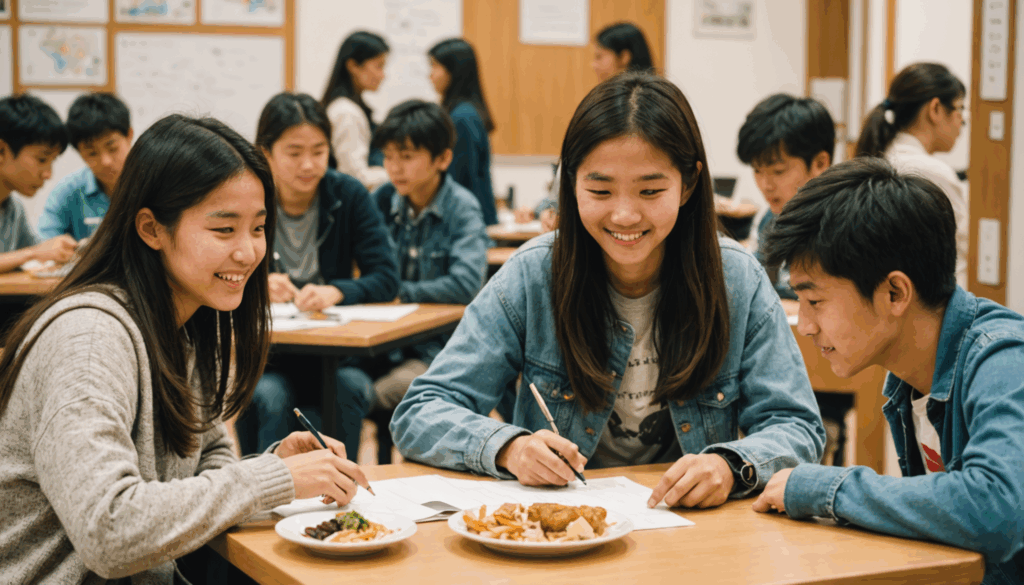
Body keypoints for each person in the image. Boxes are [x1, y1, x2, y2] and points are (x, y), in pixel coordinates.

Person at [391, 72, 824, 508]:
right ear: (571, 182)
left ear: (689, 184)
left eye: (650, 190)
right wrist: (509, 448)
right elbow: (420, 412)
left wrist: (731, 465)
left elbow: (797, 426)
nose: (624, 215)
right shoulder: (532, 275)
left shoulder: (737, 281)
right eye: (599, 190)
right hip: (558, 528)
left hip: (690, 532)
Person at [0, 114, 368, 584]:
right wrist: (268, 482)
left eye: (257, 228)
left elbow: (206, 456)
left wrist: (272, 466)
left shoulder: (183, 320)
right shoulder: (89, 340)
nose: (249, 252)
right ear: (152, 229)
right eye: (223, 230)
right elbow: (109, 531)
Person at [755, 157, 1024, 585]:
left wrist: (829, 489)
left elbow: (996, 510)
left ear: (894, 292)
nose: (804, 325)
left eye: (816, 301)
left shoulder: (1003, 359)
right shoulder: (906, 374)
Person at [235, 92, 399, 458]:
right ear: (265, 152)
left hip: (340, 355)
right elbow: (217, 272)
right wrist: (255, 284)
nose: (308, 164)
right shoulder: (246, 198)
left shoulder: (349, 195)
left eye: (319, 151)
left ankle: (344, 497)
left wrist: (337, 292)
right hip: (270, 356)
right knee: (270, 395)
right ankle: (264, 497)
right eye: (294, 153)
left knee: (349, 387)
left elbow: (387, 277)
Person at [332, 99, 488, 454]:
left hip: (439, 351)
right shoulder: (384, 199)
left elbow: (466, 285)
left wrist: (396, 292)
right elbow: (362, 268)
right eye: (388, 157)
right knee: (334, 382)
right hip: (380, 343)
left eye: (406, 156)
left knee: (372, 393)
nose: (394, 168)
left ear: (442, 159)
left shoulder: (462, 208)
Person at [515, 22, 656, 231]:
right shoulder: (597, 105)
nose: (593, 65)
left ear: (624, 57)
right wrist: (546, 209)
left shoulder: (655, 110)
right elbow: (571, 172)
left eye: (600, 57)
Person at [856, 62, 968, 287]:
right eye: (960, 108)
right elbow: (961, 263)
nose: (962, 121)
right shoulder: (931, 174)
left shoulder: (881, 157)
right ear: (935, 109)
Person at [37, 92, 133, 241]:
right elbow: (45, 244)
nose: (105, 161)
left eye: (112, 148)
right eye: (92, 153)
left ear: (129, 135)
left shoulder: (157, 182)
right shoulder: (68, 191)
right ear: (79, 153)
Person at [0, 94, 77, 274]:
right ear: (1, 151)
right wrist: (32, 253)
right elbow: (34, 253)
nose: (48, 174)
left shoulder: (13, 209)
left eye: (52, 161)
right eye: (42, 159)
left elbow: (40, 254)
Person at [428, 38, 498, 226]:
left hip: (465, 221)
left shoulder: (462, 117)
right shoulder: (462, 112)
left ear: (454, 72)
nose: (430, 75)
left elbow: (458, 178)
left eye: (435, 66)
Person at [321, 31, 390, 191]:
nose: (383, 75)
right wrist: (397, 173)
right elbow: (355, 177)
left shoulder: (348, 107)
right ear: (353, 66)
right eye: (379, 66)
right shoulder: (346, 112)